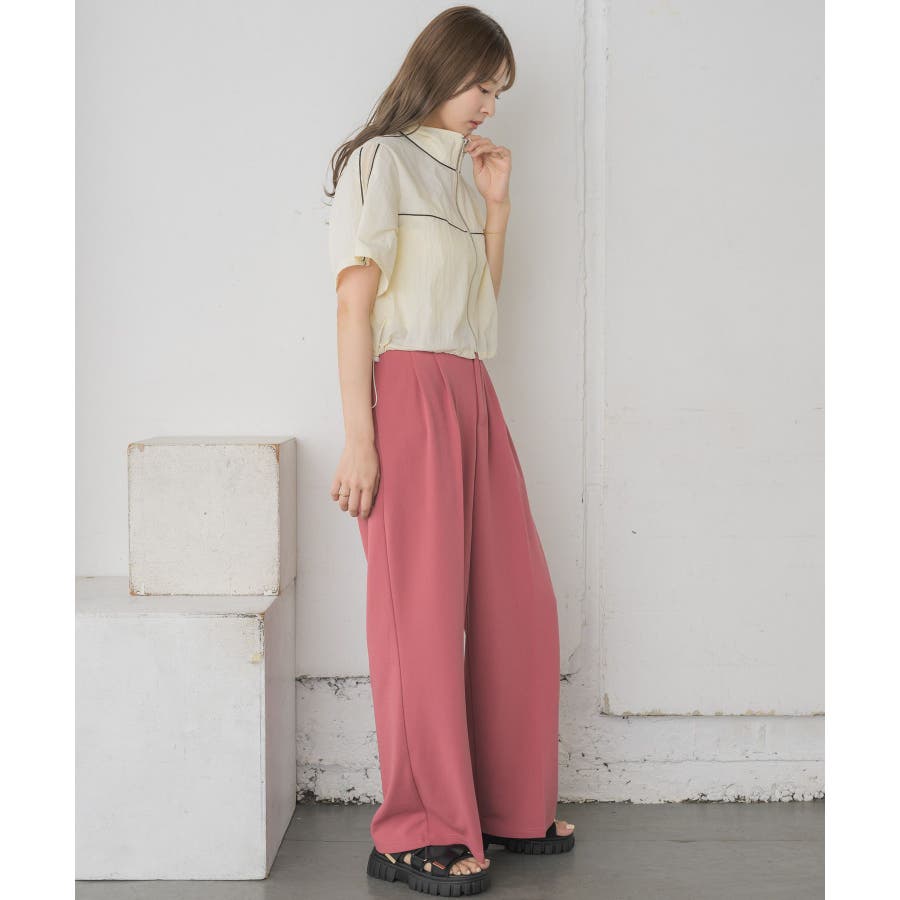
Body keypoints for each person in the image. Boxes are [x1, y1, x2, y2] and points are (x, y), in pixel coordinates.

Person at [325, 6, 574, 894]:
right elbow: (355, 306)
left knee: (518, 601)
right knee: (420, 618)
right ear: (441, 70)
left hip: (471, 389)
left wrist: (496, 208)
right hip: (407, 391)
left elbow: (481, 313)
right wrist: (362, 439)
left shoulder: (464, 176)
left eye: (500, 92)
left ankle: (503, 802)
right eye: (482, 85)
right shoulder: (379, 162)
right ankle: (413, 832)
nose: (491, 106)